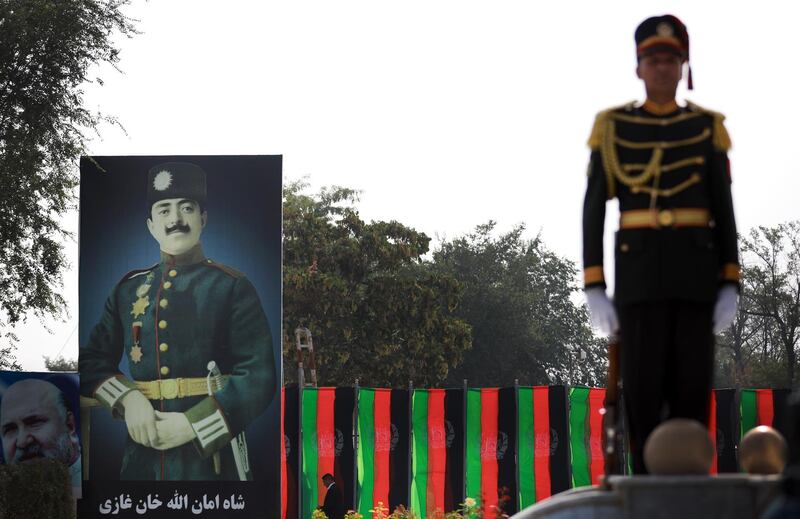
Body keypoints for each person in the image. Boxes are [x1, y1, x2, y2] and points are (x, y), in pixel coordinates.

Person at [582, 15, 740, 473]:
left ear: (683, 65)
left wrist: (730, 280)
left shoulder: (707, 128)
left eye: (670, 60)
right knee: (644, 392)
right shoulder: (613, 129)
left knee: (692, 393)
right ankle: (648, 487)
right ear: (639, 68)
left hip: (695, 279)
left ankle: (689, 489)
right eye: (653, 60)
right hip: (639, 282)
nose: (662, 69)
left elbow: (724, 210)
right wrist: (595, 284)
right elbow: (594, 207)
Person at [80, 162, 277, 480]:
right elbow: (90, 361)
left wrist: (193, 425)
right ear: (150, 225)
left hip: (209, 465)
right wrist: (129, 399)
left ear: (203, 219)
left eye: (186, 208)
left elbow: (259, 376)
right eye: (164, 210)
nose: (175, 220)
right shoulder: (127, 289)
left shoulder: (232, 286)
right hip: (139, 462)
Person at [0, 379, 82, 496]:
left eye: (34, 423)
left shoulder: (100, 478)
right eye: (10, 429)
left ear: (70, 426)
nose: (22, 442)